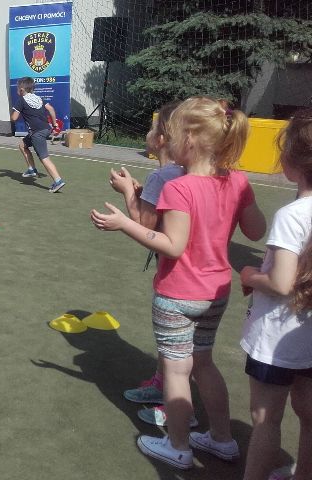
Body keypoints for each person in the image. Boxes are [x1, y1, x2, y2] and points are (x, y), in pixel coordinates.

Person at [90, 96, 266, 470]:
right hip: (216, 292)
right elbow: (256, 230)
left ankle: (178, 445)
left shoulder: (179, 188)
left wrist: (124, 223)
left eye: (171, 134)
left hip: (178, 294)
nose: (166, 142)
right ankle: (222, 438)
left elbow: (172, 245)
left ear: (189, 139)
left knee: (176, 369)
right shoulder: (238, 181)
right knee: (203, 364)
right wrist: (241, 197)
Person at [110, 101, 196, 428]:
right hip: (197, 272)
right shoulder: (189, 173)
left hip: (177, 277)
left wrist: (127, 193)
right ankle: (161, 387)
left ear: (161, 139)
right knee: (178, 347)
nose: (148, 132)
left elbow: (145, 225)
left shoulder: (162, 176)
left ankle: (177, 412)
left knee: (175, 349)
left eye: (152, 127)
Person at [239, 108, 312, 480]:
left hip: (278, 338)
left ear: (293, 163)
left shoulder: (293, 215)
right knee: (309, 415)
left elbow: (282, 283)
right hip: (307, 337)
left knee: (265, 418)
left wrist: (250, 274)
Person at [10, 77, 66, 192]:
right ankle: (32, 169)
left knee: (44, 158)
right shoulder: (38, 98)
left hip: (37, 133)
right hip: (45, 129)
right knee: (22, 145)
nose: (17, 90)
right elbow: (51, 109)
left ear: (21, 90)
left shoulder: (21, 100)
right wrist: (54, 124)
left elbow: (14, 118)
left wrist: (14, 112)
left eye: (17, 88)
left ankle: (58, 181)